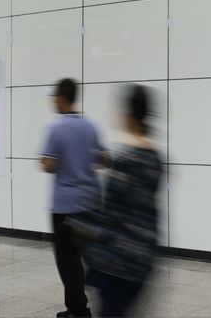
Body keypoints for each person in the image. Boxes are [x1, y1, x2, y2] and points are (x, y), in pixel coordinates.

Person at [68, 84, 163, 317]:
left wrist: (79, 226)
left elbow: (112, 215)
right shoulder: (155, 158)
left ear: (128, 115)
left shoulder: (125, 161)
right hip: (143, 259)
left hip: (118, 264)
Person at [40, 78, 102, 318]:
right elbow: (103, 159)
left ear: (62, 98)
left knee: (68, 259)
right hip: (90, 201)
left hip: (65, 205)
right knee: (89, 254)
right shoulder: (91, 126)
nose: (53, 101)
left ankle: (77, 309)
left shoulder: (57, 128)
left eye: (54, 96)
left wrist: (56, 162)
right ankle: (98, 295)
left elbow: (47, 164)